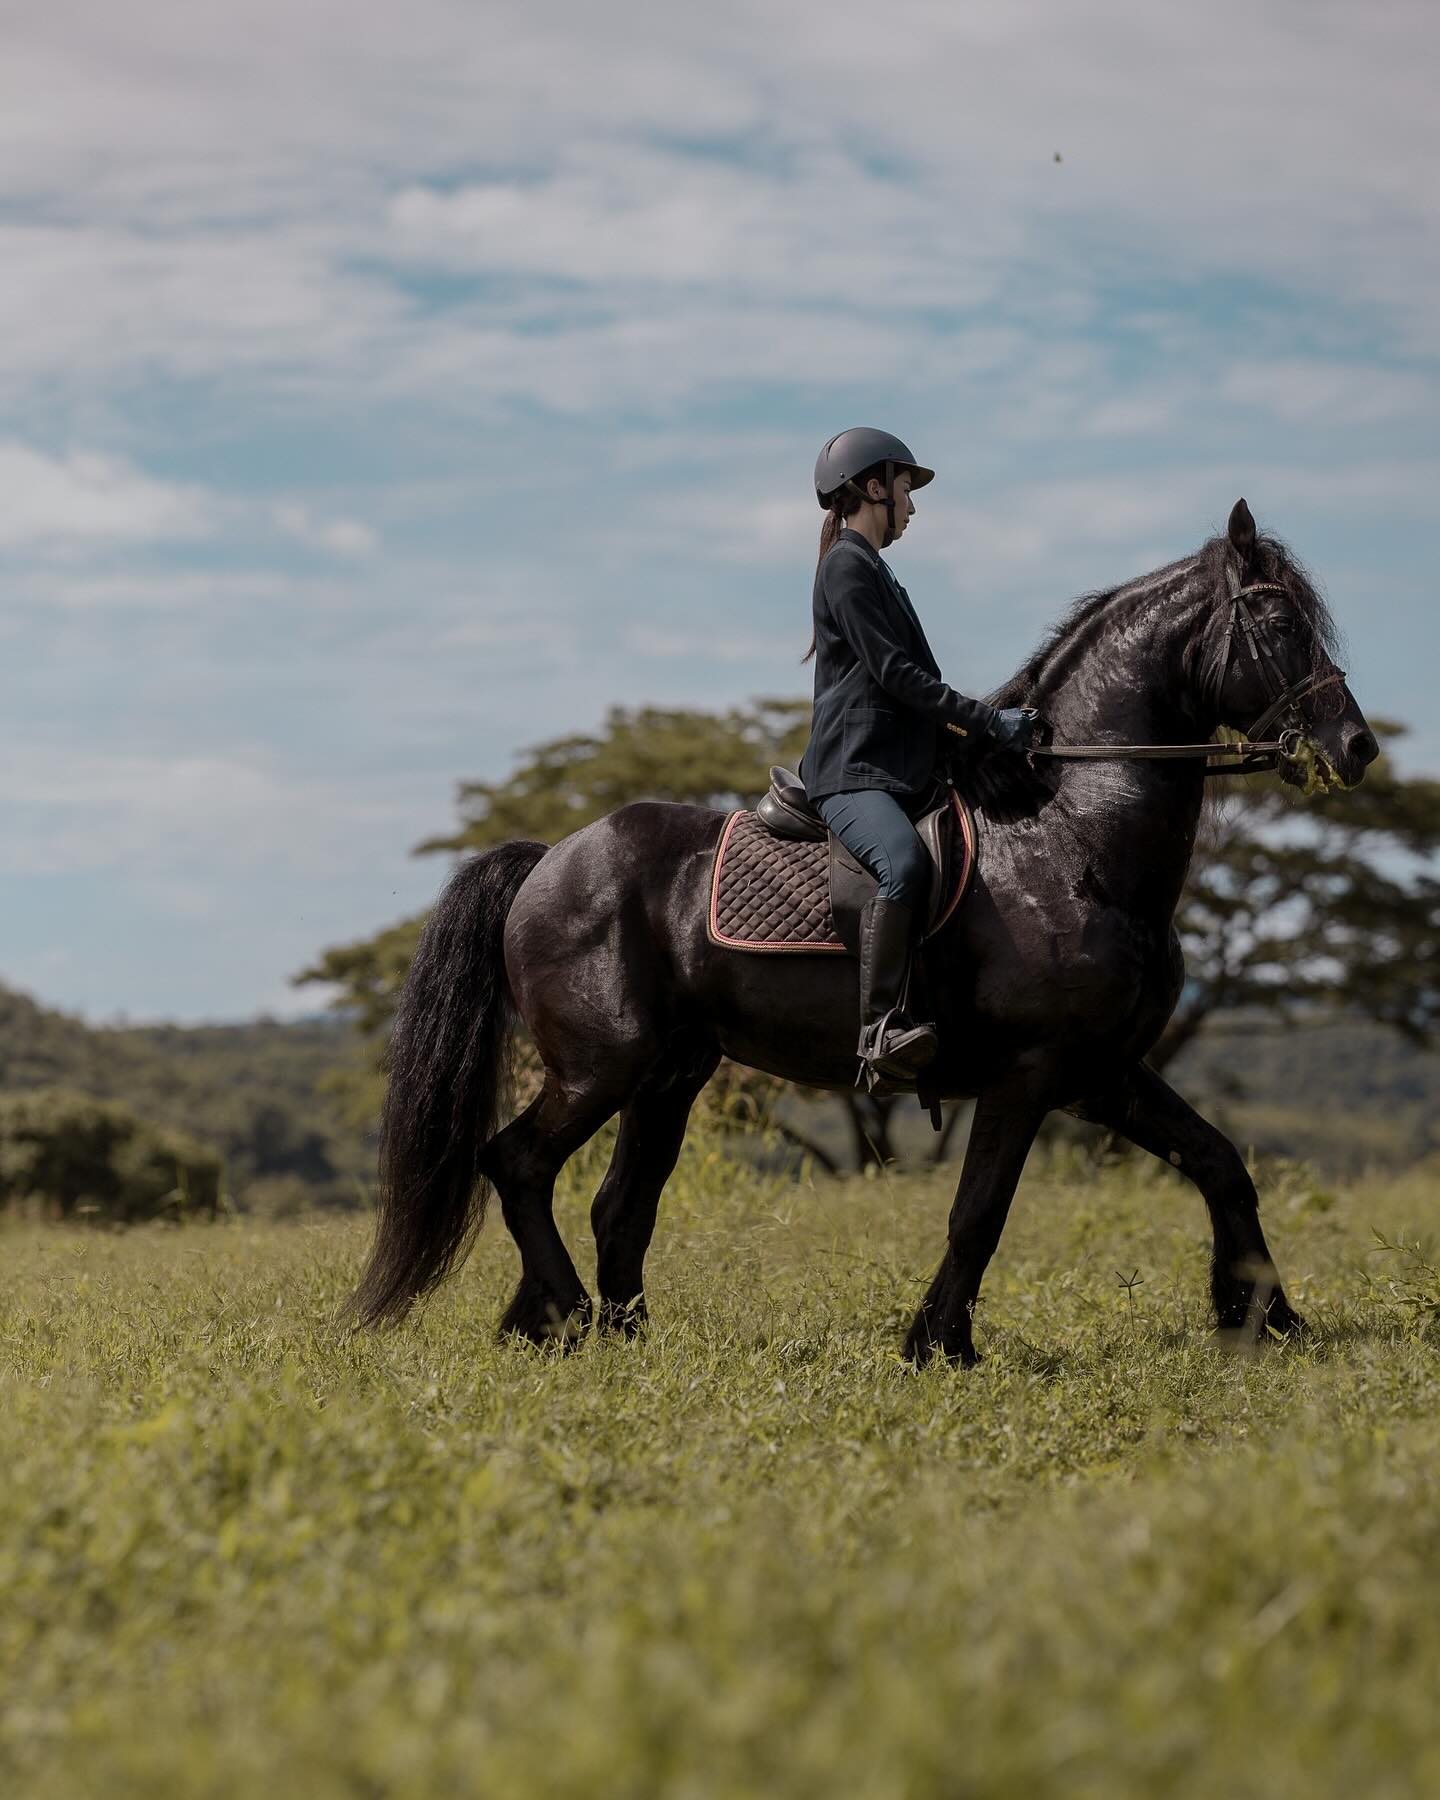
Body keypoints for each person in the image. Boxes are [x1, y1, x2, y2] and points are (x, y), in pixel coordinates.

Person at [799, 427, 1036, 1089]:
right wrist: (989, 720)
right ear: (874, 487)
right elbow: (896, 675)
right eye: (906, 489)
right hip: (854, 772)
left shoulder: (875, 569)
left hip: (899, 767)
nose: (912, 505)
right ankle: (880, 1028)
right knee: (902, 863)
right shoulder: (847, 564)